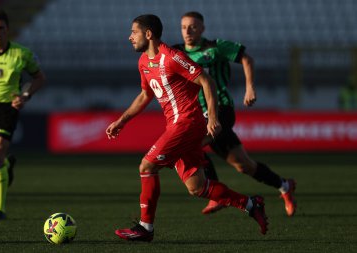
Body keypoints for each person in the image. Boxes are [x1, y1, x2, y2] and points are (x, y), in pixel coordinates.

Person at [106, 14, 268, 242]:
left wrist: (213, 118)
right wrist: (121, 121)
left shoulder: (173, 57)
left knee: (147, 165)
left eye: (134, 32)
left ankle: (145, 227)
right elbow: (145, 95)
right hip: (176, 125)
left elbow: (207, 81)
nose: (130, 37)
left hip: (188, 122)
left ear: (149, 34)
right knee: (197, 187)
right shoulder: (144, 61)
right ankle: (251, 204)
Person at [173, 11, 296, 216]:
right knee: (244, 165)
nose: (188, 31)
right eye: (184, 27)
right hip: (196, 113)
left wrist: (250, 87)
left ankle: (215, 195)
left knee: (191, 144)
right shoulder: (177, 52)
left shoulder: (216, 47)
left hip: (221, 109)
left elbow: (247, 59)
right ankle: (284, 186)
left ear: (202, 29)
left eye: (193, 27)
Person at [0, 9, 46, 220]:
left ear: (8, 30)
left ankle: (0, 208)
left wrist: (24, 95)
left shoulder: (21, 53)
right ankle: (8, 165)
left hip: (7, 108)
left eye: (1, 28)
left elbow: (39, 78)